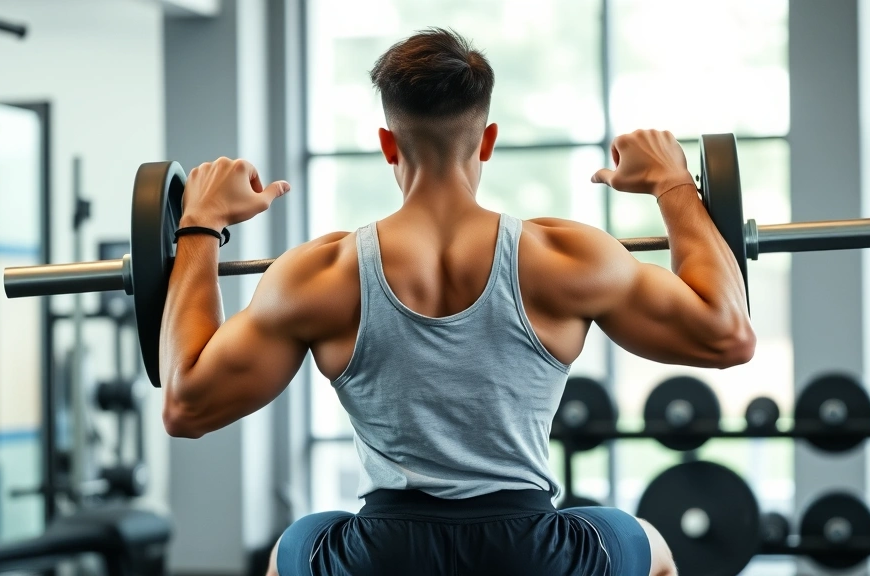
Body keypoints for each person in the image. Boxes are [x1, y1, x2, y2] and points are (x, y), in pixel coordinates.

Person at [160, 28, 754, 576]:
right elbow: (727, 333)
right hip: (532, 554)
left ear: (388, 144)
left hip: (385, 555)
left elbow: (186, 405)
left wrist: (200, 226)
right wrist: (673, 184)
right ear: (487, 140)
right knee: (650, 545)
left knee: (295, 546)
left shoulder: (318, 274)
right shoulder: (568, 258)